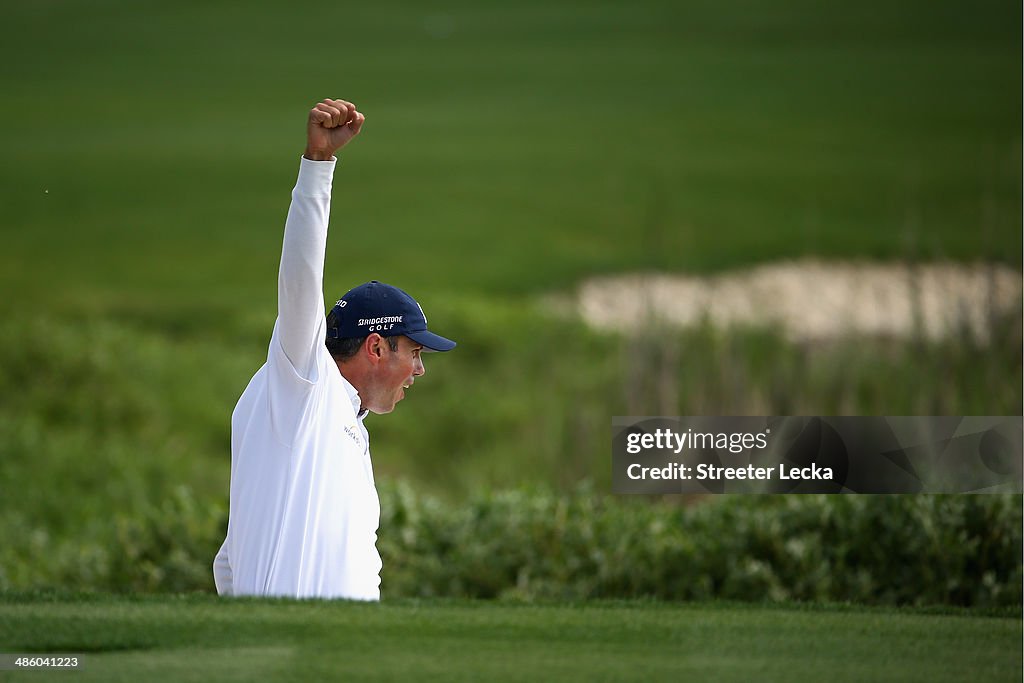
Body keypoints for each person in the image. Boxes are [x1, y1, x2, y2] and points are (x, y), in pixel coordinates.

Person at [212, 99, 456, 600]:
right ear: (374, 347)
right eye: (415, 353)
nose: (419, 370)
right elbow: (302, 281)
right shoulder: (305, 385)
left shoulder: (345, 423)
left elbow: (230, 562)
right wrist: (317, 167)